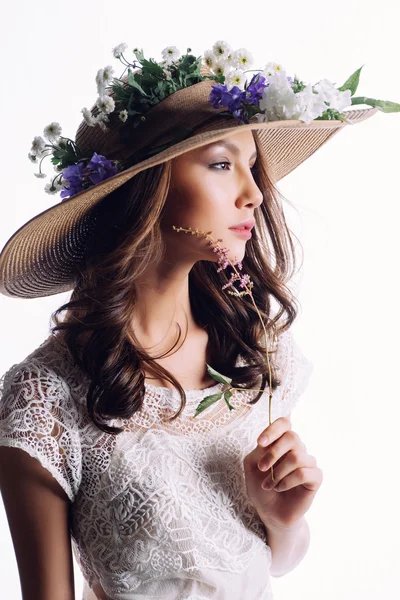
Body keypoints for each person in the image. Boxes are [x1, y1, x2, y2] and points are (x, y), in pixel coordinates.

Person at [0, 41, 396, 600]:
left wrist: (283, 518)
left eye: (252, 167)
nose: (254, 194)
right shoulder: (45, 398)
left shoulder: (255, 351)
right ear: (147, 188)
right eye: (220, 164)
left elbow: (274, 563)